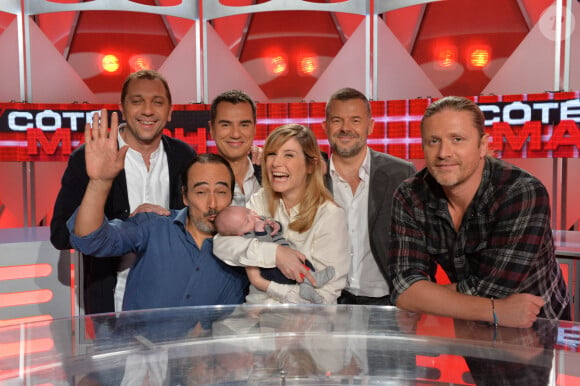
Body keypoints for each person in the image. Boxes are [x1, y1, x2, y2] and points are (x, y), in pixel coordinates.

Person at [387, 96, 570, 328]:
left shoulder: (520, 191)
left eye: (457, 139)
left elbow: (494, 289)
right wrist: (495, 310)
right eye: (433, 141)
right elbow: (404, 290)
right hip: (473, 323)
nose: (444, 152)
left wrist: (425, 296)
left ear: (483, 145)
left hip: (538, 324)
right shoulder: (409, 194)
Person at [67, 109, 248, 311]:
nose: (212, 203)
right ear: (185, 196)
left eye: (221, 192)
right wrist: (100, 182)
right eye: (201, 192)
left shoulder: (245, 247)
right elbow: (91, 240)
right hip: (138, 342)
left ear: (231, 197)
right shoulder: (153, 226)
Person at [50, 69, 196, 314]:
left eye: (157, 102)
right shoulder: (88, 158)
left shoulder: (185, 156)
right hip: (113, 303)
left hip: (175, 299)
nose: (148, 110)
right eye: (137, 101)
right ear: (123, 107)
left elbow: (198, 224)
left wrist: (161, 222)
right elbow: (61, 235)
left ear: (170, 111)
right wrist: (131, 227)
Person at [213, 124, 351, 304]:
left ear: (310, 165)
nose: (276, 163)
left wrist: (263, 284)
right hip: (256, 321)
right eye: (271, 154)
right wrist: (275, 253)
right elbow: (221, 244)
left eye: (289, 155)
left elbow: (323, 297)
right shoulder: (261, 199)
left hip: (307, 325)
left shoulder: (330, 215)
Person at [321, 87, 416, 305]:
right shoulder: (310, 174)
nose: (346, 128)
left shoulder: (401, 173)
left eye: (355, 120)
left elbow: (419, 244)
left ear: (370, 126)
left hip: (387, 302)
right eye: (337, 120)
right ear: (325, 127)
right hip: (328, 302)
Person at [214, 206, 336, 304]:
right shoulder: (249, 235)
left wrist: (276, 225)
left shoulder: (259, 220)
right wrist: (260, 232)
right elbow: (265, 245)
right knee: (287, 272)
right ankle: (312, 281)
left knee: (302, 260)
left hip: (289, 253)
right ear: (239, 234)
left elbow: (277, 229)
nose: (252, 216)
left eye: (248, 212)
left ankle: (308, 284)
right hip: (272, 268)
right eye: (247, 221)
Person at [209, 90, 262, 206]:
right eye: (226, 125)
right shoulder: (197, 179)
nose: (235, 134)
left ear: (254, 129)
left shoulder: (270, 172)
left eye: (244, 125)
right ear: (212, 129)